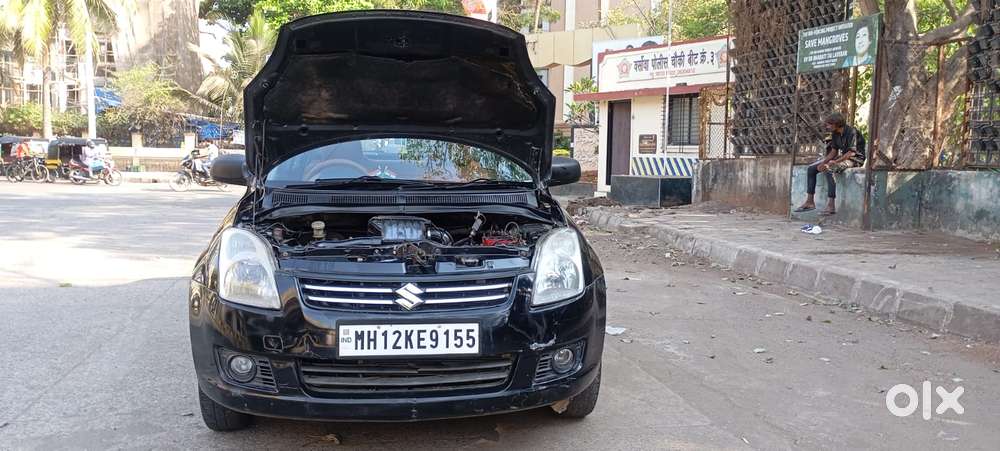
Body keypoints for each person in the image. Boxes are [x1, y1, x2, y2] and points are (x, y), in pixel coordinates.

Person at [795, 112, 866, 216]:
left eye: (829, 124)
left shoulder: (852, 132)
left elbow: (851, 152)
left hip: (855, 159)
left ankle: (831, 205)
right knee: (811, 169)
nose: (827, 127)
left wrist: (834, 162)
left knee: (829, 169)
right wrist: (823, 162)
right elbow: (834, 152)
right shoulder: (835, 134)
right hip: (842, 158)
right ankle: (810, 202)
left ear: (836, 124)